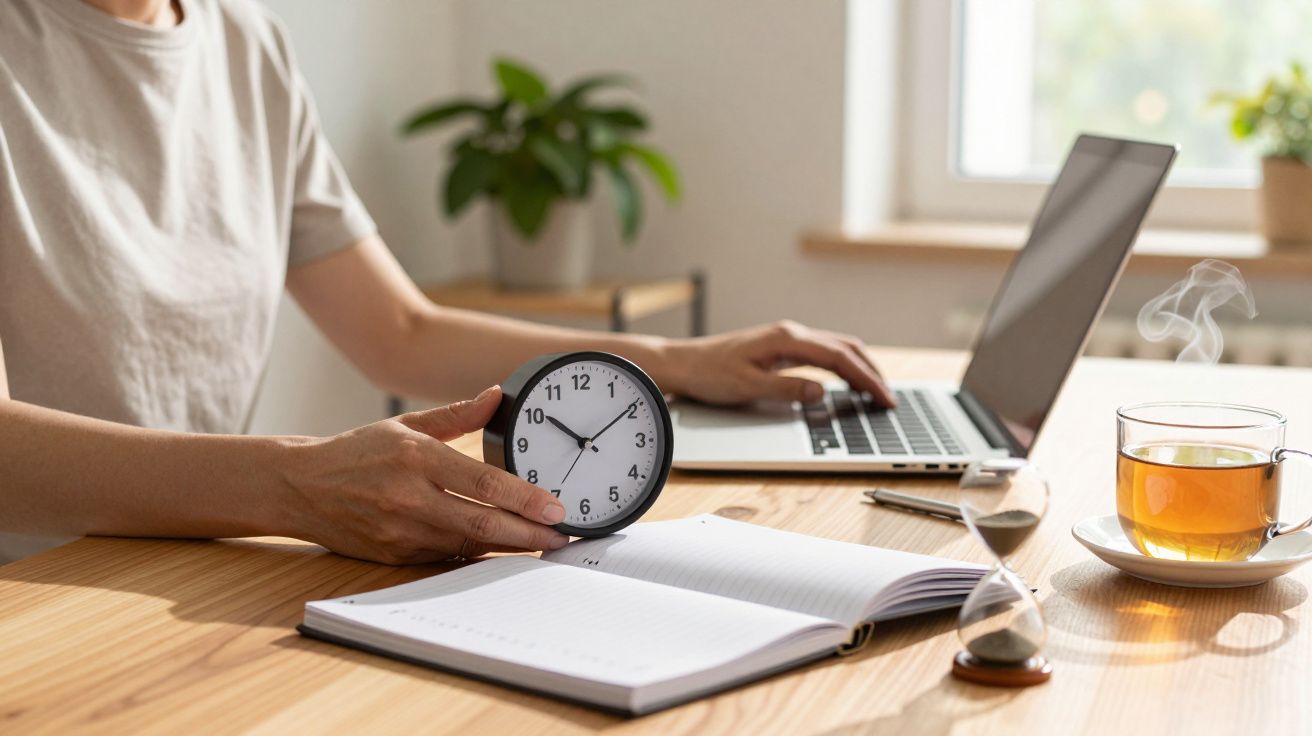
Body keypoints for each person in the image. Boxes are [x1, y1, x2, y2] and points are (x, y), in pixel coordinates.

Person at [0, 0, 893, 565]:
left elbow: (399, 330)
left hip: (201, 564)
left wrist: (678, 359)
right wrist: (291, 486)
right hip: (39, 598)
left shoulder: (247, 45)